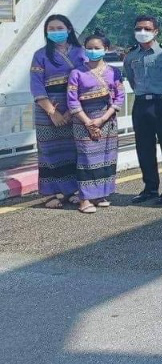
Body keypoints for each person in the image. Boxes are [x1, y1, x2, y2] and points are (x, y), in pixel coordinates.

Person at [29, 15, 87, 209]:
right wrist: (52, 112)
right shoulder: (40, 55)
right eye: (50, 29)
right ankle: (50, 192)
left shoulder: (80, 53)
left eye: (59, 27)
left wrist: (72, 110)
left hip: (74, 104)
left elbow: (86, 81)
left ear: (69, 29)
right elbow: (36, 85)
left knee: (73, 149)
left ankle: (71, 190)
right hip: (47, 108)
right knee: (48, 150)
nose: (55, 32)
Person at [123, 15, 162, 205]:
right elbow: (131, 80)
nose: (142, 32)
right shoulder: (131, 56)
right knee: (144, 147)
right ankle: (150, 187)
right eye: (139, 28)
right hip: (141, 104)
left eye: (147, 29)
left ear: (156, 31)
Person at [66, 33, 125, 214]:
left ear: (106, 49)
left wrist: (102, 119)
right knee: (86, 159)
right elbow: (72, 100)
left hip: (106, 120)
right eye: (89, 48)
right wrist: (88, 122)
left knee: (106, 157)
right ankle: (84, 199)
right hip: (83, 120)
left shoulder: (114, 72)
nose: (93, 51)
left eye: (97, 48)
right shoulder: (76, 73)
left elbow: (119, 97)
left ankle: (100, 194)